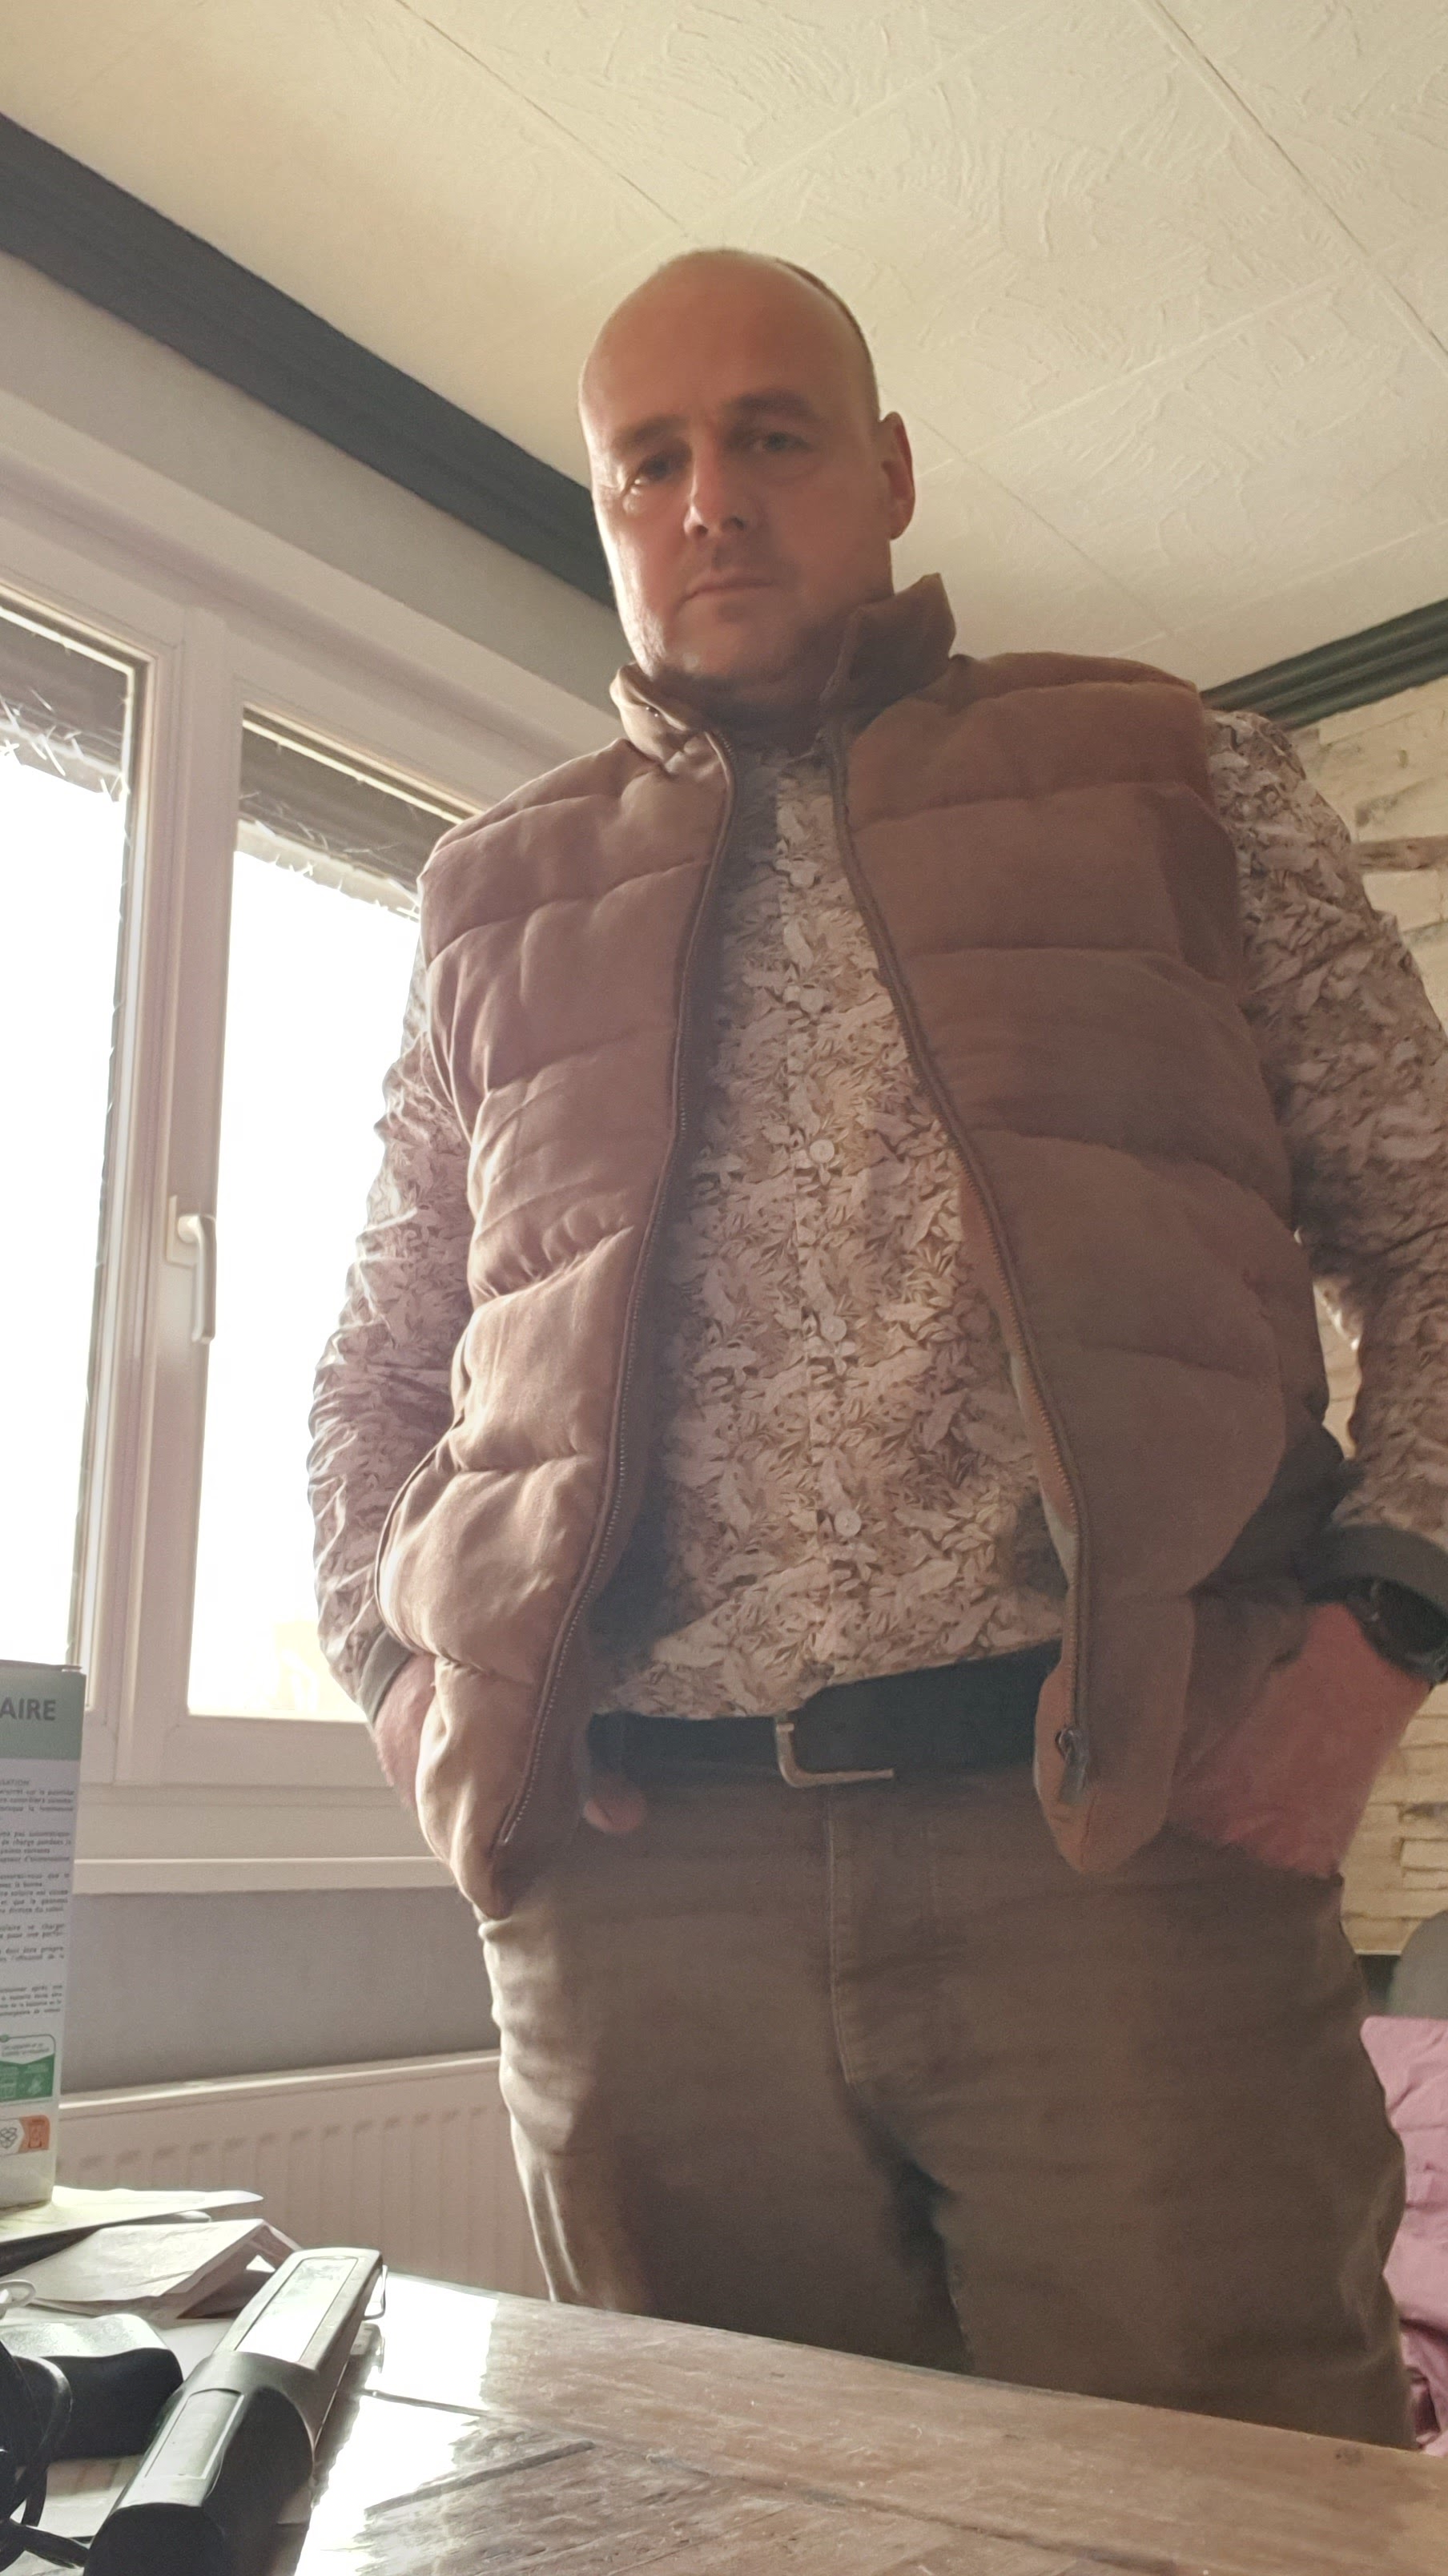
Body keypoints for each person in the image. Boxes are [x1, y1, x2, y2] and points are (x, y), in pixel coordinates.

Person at [310, 249, 1448, 2444]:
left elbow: (1436, 1229)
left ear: (894, 472)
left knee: (1224, 2516)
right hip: (641, 1900)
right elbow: (376, 1368)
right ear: (606, 513)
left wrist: (1377, 1645)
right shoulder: (490, 899)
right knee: (699, 2517)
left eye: (772, 436)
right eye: (649, 462)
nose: (712, 500)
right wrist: (402, 1685)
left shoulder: (1181, 779)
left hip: (1116, 1853)